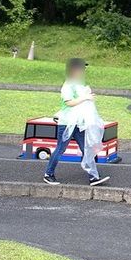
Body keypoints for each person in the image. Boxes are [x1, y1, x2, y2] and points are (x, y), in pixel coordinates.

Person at [43, 58, 110, 187]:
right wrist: (85, 97)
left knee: (86, 148)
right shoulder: (68, 85)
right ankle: (48, 174)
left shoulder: (79, 85)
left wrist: (88, 97)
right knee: (60, 149)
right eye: (81, 68)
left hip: (79, 123)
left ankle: (93, 177)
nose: (83, 71)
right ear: (74, 69)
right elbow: (69, 102)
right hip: (67, 123)